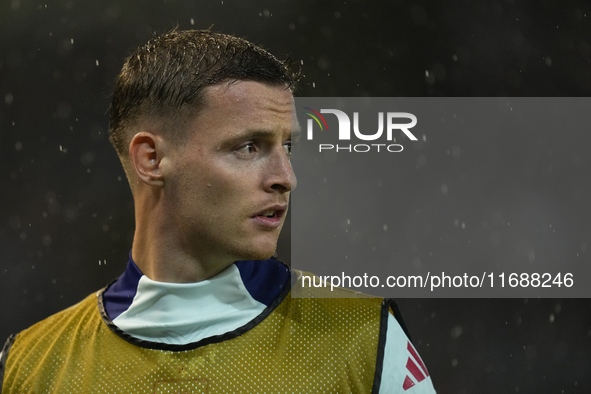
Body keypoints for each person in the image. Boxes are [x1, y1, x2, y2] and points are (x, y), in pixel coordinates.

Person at [0, 29, 436, 393]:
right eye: (249, 147)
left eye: (287, 146)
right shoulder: (29, 365)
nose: (286, 177)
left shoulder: (365, 338)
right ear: (151, 160)